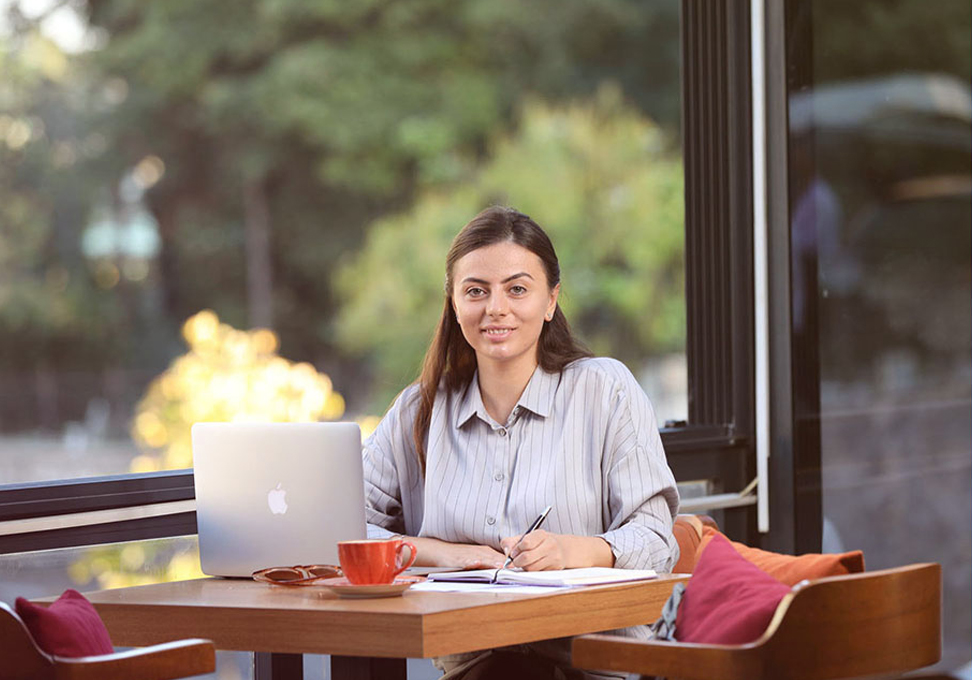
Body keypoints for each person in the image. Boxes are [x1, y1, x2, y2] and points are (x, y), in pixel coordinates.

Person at [363, 206, 680, 679]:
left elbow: (656, 538)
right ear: (453, 302)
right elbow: (343, 530)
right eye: (476, 291)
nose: (496, 308)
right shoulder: (418, 410)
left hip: (595, 668)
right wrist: (445, 554)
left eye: (517, 289)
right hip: (477, 665)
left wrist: (575, 552)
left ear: (550, 301)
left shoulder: (604, 389)